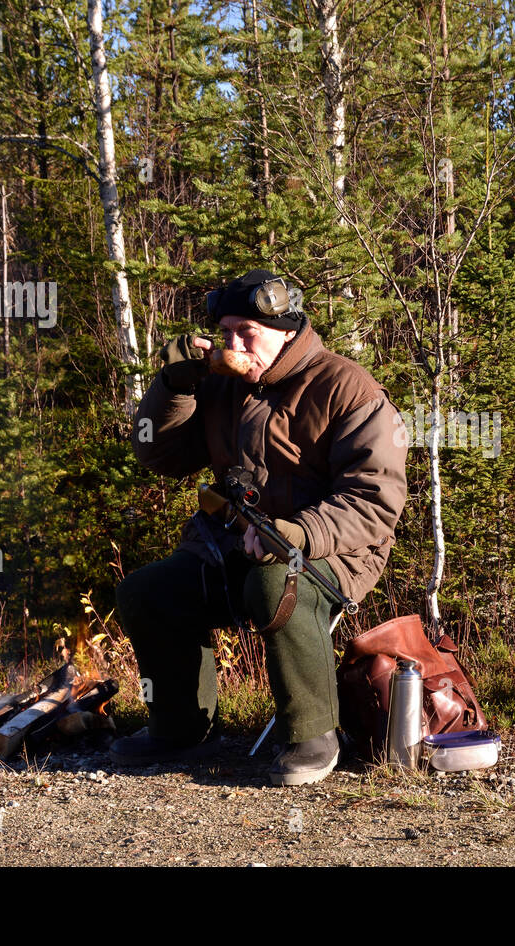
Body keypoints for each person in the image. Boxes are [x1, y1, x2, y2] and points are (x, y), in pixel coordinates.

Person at [110, 269, 408, 785]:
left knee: (275, 582)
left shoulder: (345, 387)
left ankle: (314, 735)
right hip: (233, 540)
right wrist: (173, 386)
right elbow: (160, 456)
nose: (232, 344)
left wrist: (300, 532)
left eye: (245, 332)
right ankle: (180, 728)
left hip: (335, 548)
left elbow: (376, 499)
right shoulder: (222, 385)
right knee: (145, 592)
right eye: (225, 332)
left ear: (287, 330)